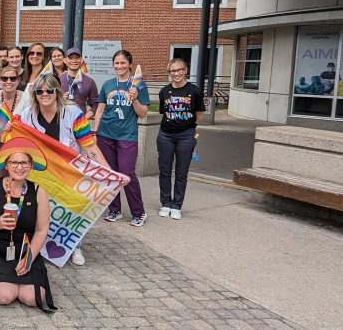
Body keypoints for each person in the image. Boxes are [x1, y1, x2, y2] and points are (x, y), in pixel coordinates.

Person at [18, 73, 105, 266]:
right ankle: (37, 245)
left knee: (72, 208)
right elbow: (17, 138)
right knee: (37, 209)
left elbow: (89, 146)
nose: (45, 94)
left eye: (50, 90)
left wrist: (108, 172)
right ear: (35, 94)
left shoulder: (74, 114)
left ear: (57, 92)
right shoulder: (26, 115)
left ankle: (75, 246)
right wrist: (9, 127)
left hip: (68, 172)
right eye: (40, 91)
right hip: (41, 174)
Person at [0, 140, 55, 311]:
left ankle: (20, 276)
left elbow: (41, 229)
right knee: (5, 296)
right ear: (7, 165)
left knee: (32, 298)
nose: (19, 167)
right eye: (14, 162)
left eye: (24, 162)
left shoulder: (39, 191)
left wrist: (29, 257)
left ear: (31, 166)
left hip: (25, 249)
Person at [95, 50, 150, 227]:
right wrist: (95, 132)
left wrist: (134, 99)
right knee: (110, 173)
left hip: (127, 135)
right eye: (116, 63)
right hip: (105, 134)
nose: (119, 66)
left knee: (127, 173)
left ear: (130, 64)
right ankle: (114, 209)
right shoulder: (108, 84)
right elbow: (100, 110)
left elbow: (143, 113)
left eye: (123, 63)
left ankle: (138, 212)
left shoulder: (139, 85)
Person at [156, 58, 205, 221]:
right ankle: (165, 203)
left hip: (185, 136)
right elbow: (164, 112)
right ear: (169, 73)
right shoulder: (164, 91)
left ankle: (177, 205)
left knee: (181, 173)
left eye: (179, 70)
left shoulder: (195, 91)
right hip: (165, 135)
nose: (176, 73)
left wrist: (189, 129)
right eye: (172, 71)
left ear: (185, 71)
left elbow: (199, 115)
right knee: (164, 170)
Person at [0, 66, 26, 163]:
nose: (8, 81)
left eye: (13, 78)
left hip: (20, 146)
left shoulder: (27, 99)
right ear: (0, 80)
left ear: (18, 80)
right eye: (4, 78)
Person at [60, 47, 99, 114]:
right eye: (70, 58)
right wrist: (60, 99)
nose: (74, 61)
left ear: (81, 60)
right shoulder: (58, 79)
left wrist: (85, 118)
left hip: (80, 123)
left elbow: (96, 105)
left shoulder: (90, 82)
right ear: (65, 60)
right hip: (61, 121)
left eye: (77, 58)